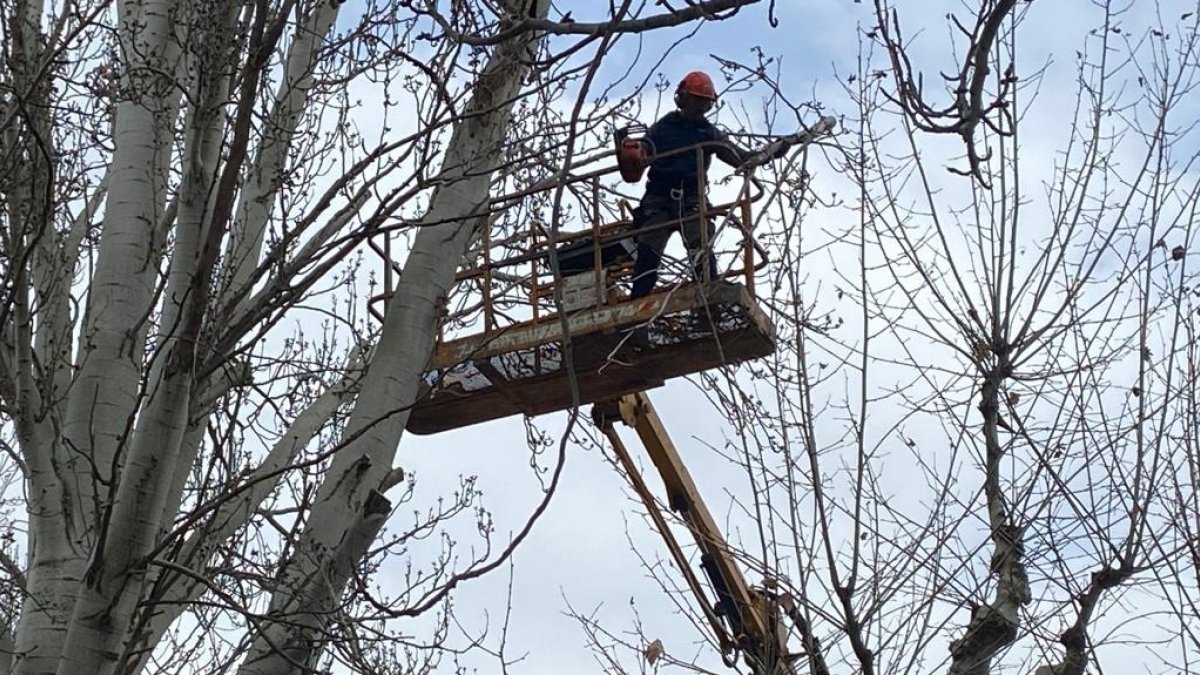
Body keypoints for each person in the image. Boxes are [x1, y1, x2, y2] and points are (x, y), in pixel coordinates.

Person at [627, 70, 789, 298]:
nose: (698, 108)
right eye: (695, 102)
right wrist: (635, 152)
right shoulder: (663, 128)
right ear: (682, 99)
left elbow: (740, 158)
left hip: (692, 200)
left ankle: (709, 297)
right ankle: (639, 300)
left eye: (703, 104)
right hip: (658, 200)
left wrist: (770, 153)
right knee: (648, 254)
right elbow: (641, 152)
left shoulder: (708, 133)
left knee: (701, 250)